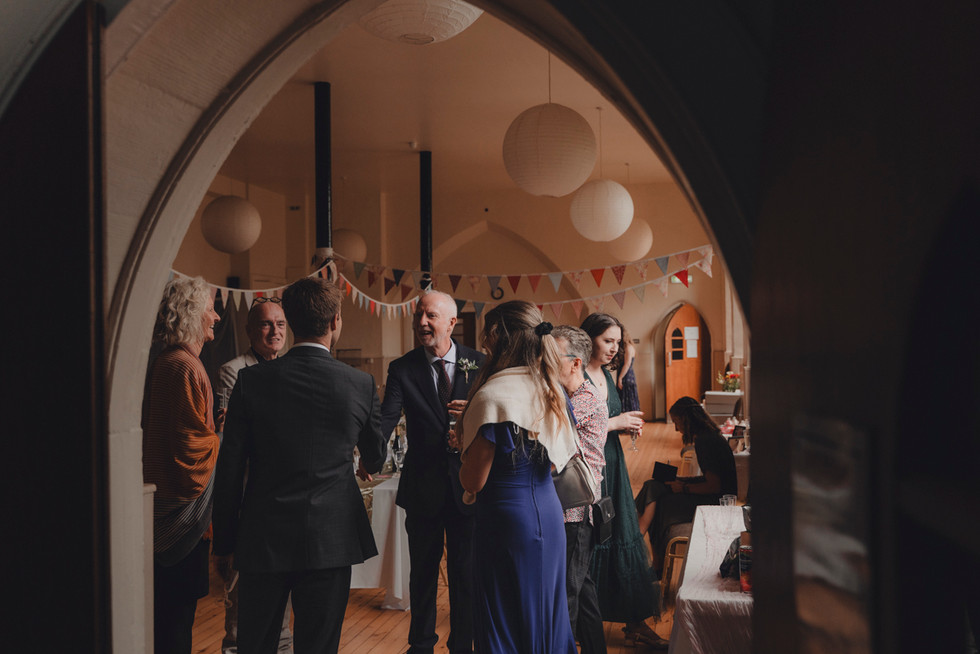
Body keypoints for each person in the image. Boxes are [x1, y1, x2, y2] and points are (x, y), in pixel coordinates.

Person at [212, 277, 386, 654]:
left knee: (255, 644)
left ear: (289, 321)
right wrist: (364, 460)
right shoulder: (359, 383)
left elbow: (228, 469)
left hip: (263, 536)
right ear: (336, 320)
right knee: (318, 647)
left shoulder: (251, 381)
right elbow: (376, 455)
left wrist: (224, 542)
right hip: (330, 538)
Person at [457, 301, 578, 654]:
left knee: (505, 621)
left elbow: (473, 481)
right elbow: (556, 461)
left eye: (486, 336)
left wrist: (461, 448)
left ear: (497, 336)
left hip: (506, 521)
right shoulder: (551, 389)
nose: (483, 344)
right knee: (546, 617)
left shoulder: (494, 395)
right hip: (548, 512)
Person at [378, 290, 485, 654]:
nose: (422, 322)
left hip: (469, 485)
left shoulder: (479, 363)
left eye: (431, 316)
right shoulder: (402, 368)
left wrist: (477, 407)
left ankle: (462, 646)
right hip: (423, 487)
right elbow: (385, 421)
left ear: (452, 323)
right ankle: (420, 645)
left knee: (465, 575)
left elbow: (498, 417)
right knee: (422, 574)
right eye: (419, 315)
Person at [143, 276, 223, 654]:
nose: (217, 316)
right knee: (175, 627)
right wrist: (222, 437)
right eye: (210, 308)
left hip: (165, 509)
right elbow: (190, 458)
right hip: (178, 516)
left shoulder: (171, 362)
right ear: (192, 314)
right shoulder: (185, 367)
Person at [580, 313, 666, 649]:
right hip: (589, 470)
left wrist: (624, 425)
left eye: (618, 342)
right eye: (608, 341)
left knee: (623, 534)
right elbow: (573, 429)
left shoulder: (605, 372)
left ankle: (634, 620)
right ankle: (582, 621)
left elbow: (608, 421)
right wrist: (616, 423)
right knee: (591, 541)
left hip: (613, 464)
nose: (614, 348)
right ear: (588, 339)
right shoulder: (574, 376)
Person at [214, 297, 292, 654]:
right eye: (265, 324)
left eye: (279, 324)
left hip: (285, 505)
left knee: (285, 615)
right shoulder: (234, 370)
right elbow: (233, 443)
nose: (274, 331)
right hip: (249, 499)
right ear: (249, 331)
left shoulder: (294, 366)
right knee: (241, 613)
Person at [552, 325, 608, 654]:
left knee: (567, 593)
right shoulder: (570, 397)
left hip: (576, 510)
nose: (544, 362)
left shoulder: (583, 401)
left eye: (553, 356)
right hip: (571, 506)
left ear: (575, 364)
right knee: (582, 588)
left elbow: (550, 443)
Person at [636, 396, 737, 572]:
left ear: (686, 419)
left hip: (716, 501)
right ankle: (641, 547)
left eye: (677, 422)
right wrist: (685, 480)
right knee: (653, 486)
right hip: (717, 495)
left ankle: (642, 549)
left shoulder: (705, 442)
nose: (676, 428)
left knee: (659, 502)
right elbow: (711, 479)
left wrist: (683, 487)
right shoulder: (709, 436)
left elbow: (714, 486)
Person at [616, 325, 640, 415]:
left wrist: (620, 378)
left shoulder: (628, 347)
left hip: (626, 377)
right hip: (628, 376)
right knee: (629, 401)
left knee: (628, 402)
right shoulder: (629, 347)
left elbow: (627, 365)